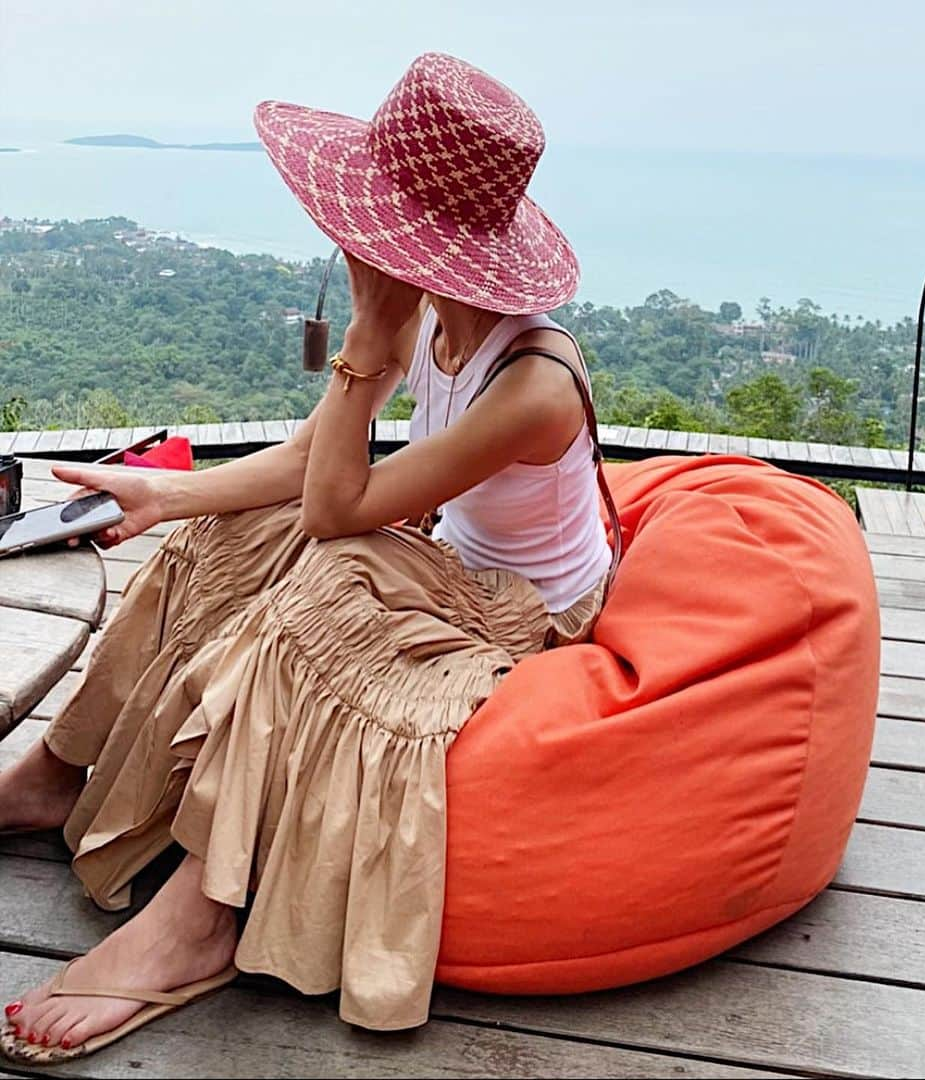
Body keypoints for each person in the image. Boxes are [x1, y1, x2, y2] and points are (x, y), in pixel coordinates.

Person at [0, 52, 615, 1064]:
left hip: (518, 609)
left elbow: (335, 511)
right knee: (224, 542)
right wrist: (165, 496)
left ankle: (196, 922)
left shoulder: (533, 383)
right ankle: (54, 776)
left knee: (322, 591)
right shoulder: (438, 323)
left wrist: (370, 340)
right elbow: (310, 462)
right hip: (437, 551)